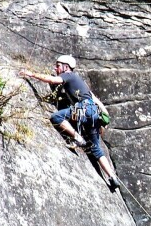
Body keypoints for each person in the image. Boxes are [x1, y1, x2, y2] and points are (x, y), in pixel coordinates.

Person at [19, 55, 122, 192]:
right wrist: (105, 117)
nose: (56, 68)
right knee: (96, 148)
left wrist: (31, 74)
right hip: (93, 113)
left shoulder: (69, 75)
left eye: (58, 65)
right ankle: (112, 177)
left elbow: (53, 80)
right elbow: (97, 101)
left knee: (56, 117)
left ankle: (78, 138)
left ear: (66, 67)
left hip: (83, 110)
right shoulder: (80, 82)